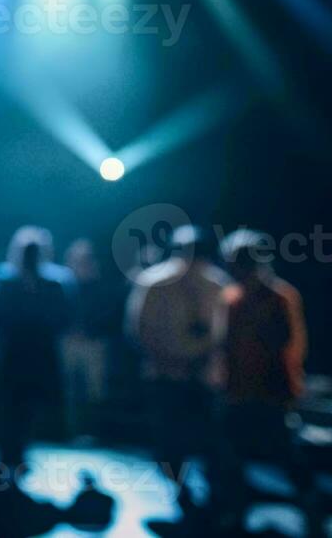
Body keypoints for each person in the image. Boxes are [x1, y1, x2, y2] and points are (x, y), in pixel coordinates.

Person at [215, 229, 321, 535]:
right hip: (237, 390)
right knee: (230, 453)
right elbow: (225, 344)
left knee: (285, 451)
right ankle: (234, 509)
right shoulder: (231, 298)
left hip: (272, 391)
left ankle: (310, 506)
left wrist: (287, 388)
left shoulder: (280, 297)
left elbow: (291, 344)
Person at [125, 224, 229, 522]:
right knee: (170, 440)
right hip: (165, 378)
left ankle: (212, 499)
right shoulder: (155, 282)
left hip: (203, 379)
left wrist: (202, 358)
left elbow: (225, 333)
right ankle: (182, 491)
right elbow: (139, 330)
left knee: (209, 439)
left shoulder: (217, 284)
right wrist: (171, 360)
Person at [0, 226, 74, 468]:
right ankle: (9, 454)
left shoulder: (56, 282)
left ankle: (18, 451)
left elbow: (65, 318)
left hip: (41, 355)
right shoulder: (5, 281)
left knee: (30, 407)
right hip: (14, 354)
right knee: (10, 407)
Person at [61, 238, 121, 438]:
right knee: (67, 388)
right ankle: (70, 431)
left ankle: (93, 432)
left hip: (95, 343)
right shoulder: (63, 285)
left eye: (85, 259)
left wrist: (91, 331)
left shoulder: (103, 287)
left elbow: (111, 315)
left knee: (96, 390)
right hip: (68, 342)